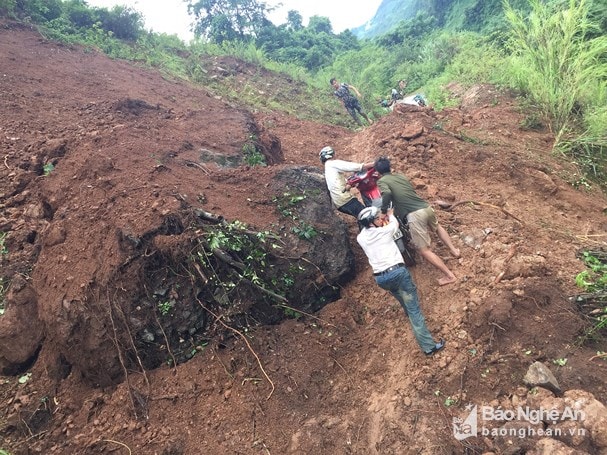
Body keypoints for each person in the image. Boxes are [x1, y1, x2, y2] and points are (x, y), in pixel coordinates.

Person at [357, 206, 445, 356]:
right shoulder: (384, 231)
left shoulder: (361, 238)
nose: (380, 219)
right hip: (397, 273)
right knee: (414, 310)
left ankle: (407, 311)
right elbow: (394, 225)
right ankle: (429, 347)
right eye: (378, 218)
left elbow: (377, 228)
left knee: (400, 295)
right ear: (372, 222)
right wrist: (390, 215)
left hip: (381, 278)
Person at [374, 156, 461, 286]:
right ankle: (454, 251)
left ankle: (449, 276)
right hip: (425, 207)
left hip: (414, 215)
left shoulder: (382, 181)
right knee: (437, 228)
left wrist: (383, 211)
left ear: (378, 172)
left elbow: (386, 193)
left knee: (424, 250)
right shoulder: (401, 176)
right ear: (389, 166)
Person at [319, 146, 374, 218]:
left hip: (340, 201)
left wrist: (349, 184)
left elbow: (341, 182)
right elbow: (352, 167)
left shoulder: (328, 168)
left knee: (362, 216)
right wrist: (373, 164)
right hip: (345, 200)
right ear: (332, 155)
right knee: (366, 217)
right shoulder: (332, 164)